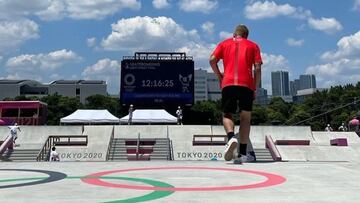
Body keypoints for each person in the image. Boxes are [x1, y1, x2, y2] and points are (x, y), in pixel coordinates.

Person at [210, 24, 262, 164]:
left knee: (227, 114)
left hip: (228, 83)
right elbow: (257, 68)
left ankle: (231, 137)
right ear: (246, 35)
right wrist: (255, 88)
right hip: (246, 85)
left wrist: (219, 75)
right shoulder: (253, 46)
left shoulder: (224, 43)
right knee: (245, 117)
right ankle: (243, 154)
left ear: (234, 34)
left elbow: (212, 59)